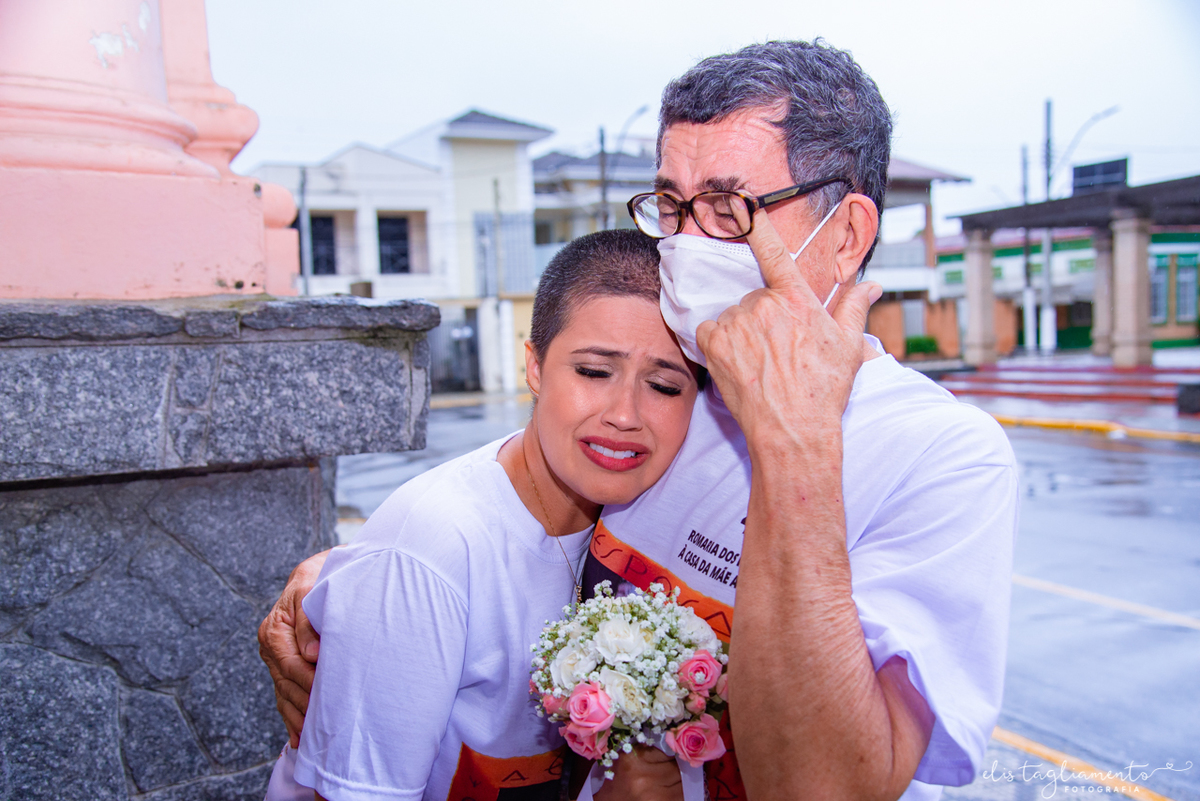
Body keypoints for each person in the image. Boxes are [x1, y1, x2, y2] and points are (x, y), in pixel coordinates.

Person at [263, 40, 1019, 801]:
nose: (688, 245)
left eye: (730, 210)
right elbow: (522, 499)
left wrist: (793, 439)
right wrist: (360, 580)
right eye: (672, 205)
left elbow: (822, 787)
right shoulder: (684, 387)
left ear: (847, 235)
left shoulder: (943, 456)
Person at [263, 229, 701, 801]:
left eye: (665, 386)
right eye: (594, 372)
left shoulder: (654, 520)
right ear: (535, 367)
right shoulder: (438, 546)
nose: (625, 415)